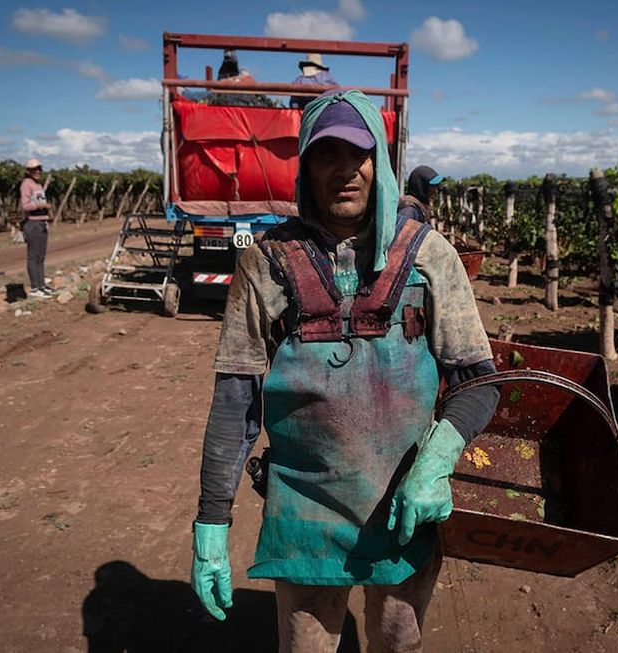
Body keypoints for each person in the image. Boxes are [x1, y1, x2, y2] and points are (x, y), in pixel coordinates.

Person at [190, 90, 500, 653]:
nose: (344, 170)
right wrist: (212, 519)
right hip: (305, 505)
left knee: (397, 641)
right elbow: (236, 399)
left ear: (379, 161)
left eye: (357, 153)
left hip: (405, 501)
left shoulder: (429, 257)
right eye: (325, 154)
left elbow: (478, 380)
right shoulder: (267, 263)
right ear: (304, 166)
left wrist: (437, 459)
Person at [20, 158, 53, 299]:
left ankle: (41, 285)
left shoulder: (37, 185)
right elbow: (25, 206)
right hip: (33, 224)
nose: (38, 171)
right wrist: (41, 206)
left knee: (41, 256)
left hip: (41, 223)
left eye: (39, 168)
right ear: (28, 171)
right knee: (33, 257)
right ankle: (35, 288)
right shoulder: (26, 184)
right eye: (34, 169)